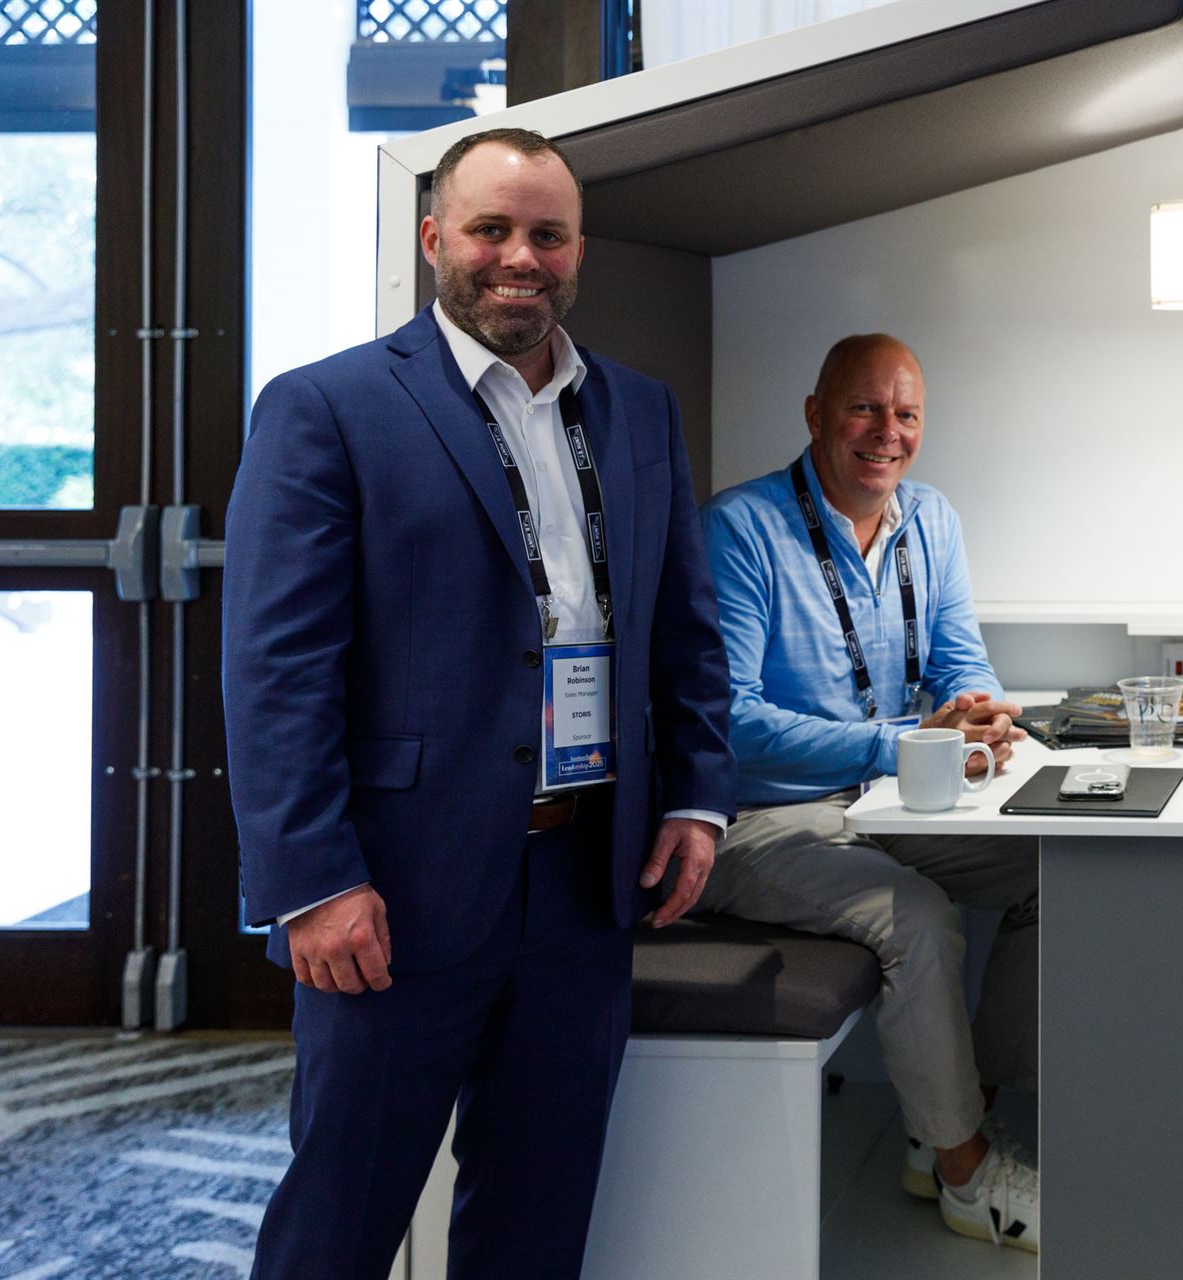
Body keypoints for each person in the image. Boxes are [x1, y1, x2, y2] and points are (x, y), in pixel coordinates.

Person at [222, 127, 736, 1278]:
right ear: (433, 239)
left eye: (547, 234)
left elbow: (683, 625)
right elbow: (276, 669)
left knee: (535, 1227)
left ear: (578, 251)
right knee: (338, 1226)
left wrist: (699, 799)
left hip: (584, 885)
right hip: (393, 892)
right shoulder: (328, 407)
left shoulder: (638, 410)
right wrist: (313, 880)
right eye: (490, 229)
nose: (519, 257)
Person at [695, 333, 1041, 1252]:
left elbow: (959, 662)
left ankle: (951, 1126)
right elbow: (731, 720)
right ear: (816, 416)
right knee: (916, 916)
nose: (888, 432)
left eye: (907, 414)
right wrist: (900, 744)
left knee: (1061, 874)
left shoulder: (932, 519)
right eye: (864, 409)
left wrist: (976, 715)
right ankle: (969, 1181)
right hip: (758, 819)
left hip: (887, 797)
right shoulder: (740, 528)